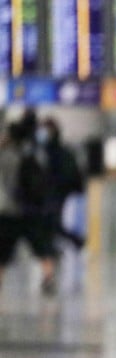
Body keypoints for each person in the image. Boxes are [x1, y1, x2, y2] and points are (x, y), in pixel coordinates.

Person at [0, 118, 59, 295]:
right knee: (41, 246)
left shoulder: (5, 156)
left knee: (2, 251)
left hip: (8, 210)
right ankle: (48, 277)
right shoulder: (35, 155)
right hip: (31, 210)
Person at [37, 117, 85, 250]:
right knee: (51, 223)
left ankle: (78, 242)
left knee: (52, 223)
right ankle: (70, 244)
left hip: (57, 192)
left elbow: (65, 174)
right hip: (51, 192)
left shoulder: (56, 152)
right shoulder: (45, 150)